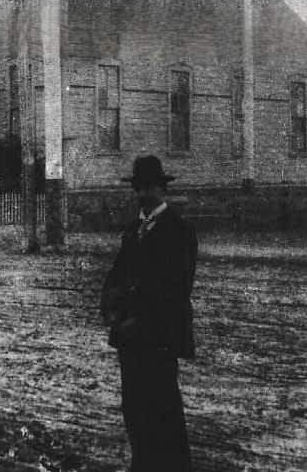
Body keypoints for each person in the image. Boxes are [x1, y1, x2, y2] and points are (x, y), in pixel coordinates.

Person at [101, 155, 197, 472]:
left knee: (163, 403)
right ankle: (142, 463)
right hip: (129, 335)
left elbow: (176, 289)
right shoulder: (134, 230)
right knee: (134, 404)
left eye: (149, 188)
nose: (142, 195)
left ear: (161, 189)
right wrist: (112, 312)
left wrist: (139, 320)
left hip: (159, 334)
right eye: (138, 188)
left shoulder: (178, 231)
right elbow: (116, 276)